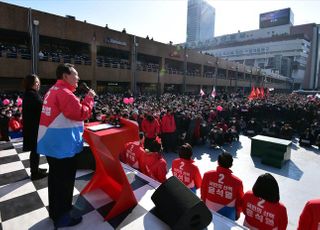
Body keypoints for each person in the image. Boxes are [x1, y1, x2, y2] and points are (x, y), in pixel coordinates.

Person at [37, 63, 95, 228]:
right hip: (62, 147)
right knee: (65, 182)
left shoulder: (53, 90)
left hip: (53, 145)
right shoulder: (64, 93)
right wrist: (89, 98)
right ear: (65, 76)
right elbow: (81, 113)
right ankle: (63, 217)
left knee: (55, 180)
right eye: (75, 75)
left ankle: (55, 212)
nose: (78, 78)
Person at [201, 152, 243, 221]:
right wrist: (238, 213)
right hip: (228, 213)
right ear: (231, 165)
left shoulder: (207, 175)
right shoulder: (238, 182)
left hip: (209, 208)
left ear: (217, 162)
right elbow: (239, 201)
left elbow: (203, 191)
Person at [22, 74, 47, 180]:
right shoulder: (33, 95)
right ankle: (34, 173)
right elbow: (43, 108)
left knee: (35, 150)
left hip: (31, 127)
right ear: (32, 83)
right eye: (36, 82)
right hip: (34, 128)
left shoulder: (28, 94)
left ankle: (35, 169)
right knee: (35, 150)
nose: (38, 84)